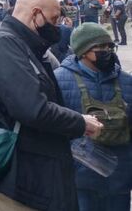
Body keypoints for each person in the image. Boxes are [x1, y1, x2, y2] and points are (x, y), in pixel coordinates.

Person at [0, 0, 103, 211]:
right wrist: (80, 122)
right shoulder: (5, 44)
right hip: (21, 180)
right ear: (36, 14)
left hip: (35, 175)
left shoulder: (24, 46)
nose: (57, 27)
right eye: (53, 19)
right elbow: (32, 109)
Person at [55, 23, 132, 211]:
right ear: (83, 51)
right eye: (100, 47)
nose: (107, 51)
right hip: (80, 181)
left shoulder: (126, 81)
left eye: (109, 47)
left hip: (119, 179)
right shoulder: (59, 80)